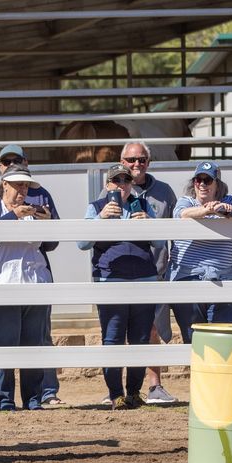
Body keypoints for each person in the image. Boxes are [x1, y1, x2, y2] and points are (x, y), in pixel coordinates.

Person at [0, 144, 64, 408]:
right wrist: (13, 216)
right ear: (5, 185)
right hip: (2, 282)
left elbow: (50, 244)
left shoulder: (35, 208)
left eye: (25, 186)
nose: (22, 190)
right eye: (17, 185)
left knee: (33, 343)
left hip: (34, 281)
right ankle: (3, 399)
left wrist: (46, 223)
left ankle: (34, 398)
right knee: (4, 344)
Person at [78, 162, 160, 410]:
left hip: (144, 279)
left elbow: (161, 243)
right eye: (116, 181)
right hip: (110, 281)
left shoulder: (143, 206)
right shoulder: (96, 207)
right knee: (112, 338)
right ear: (107, 185)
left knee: (140, 339)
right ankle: (116, 394)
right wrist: (101, 220)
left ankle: (134, 392)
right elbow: (81, 242)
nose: (121, 186)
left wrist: (148, 223)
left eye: (125, 181)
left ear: (131, 184)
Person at [117, 141, 179, 405]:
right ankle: (117, 389)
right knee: (118, 331)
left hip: (155, 271)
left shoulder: (164, 192)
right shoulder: (110, 190)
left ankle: (155, 385)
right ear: (122, 161)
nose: (136, 164)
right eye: (131, 160)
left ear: (148, 162)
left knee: (153, 330)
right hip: (121, 274)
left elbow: (177, 231)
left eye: (141, 159)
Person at [169, 161, 232, 339]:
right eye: (198, 180)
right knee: (193, 340)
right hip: (188, 277)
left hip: (223, 277)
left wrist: (227, 211)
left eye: (207, 180)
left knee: (223, 338)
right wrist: (206, 210)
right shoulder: (186, 201)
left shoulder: (230, 200)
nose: (202, 184)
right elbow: (180, 214)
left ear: (217, 184)